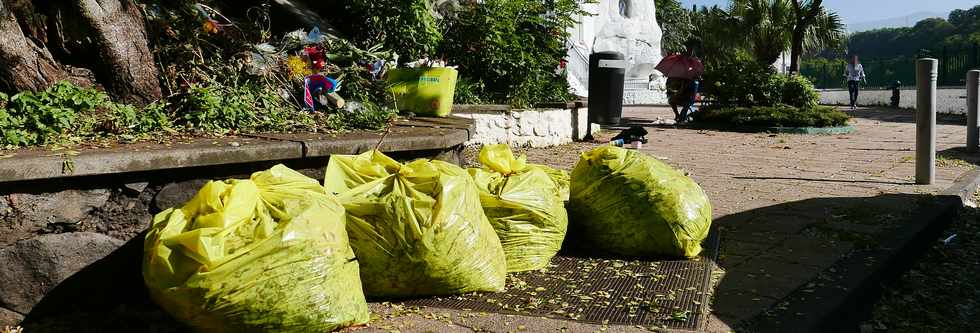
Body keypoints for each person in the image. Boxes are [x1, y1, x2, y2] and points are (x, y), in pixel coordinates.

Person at [666, 44, 700, 124]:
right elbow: (679, 88)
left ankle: (682, 116)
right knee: (671, 100)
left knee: (688, 103)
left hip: (689, 96)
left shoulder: (693, 77)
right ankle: (678, 115)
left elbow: (690, 92)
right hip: (683, 95)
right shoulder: (681, 73)